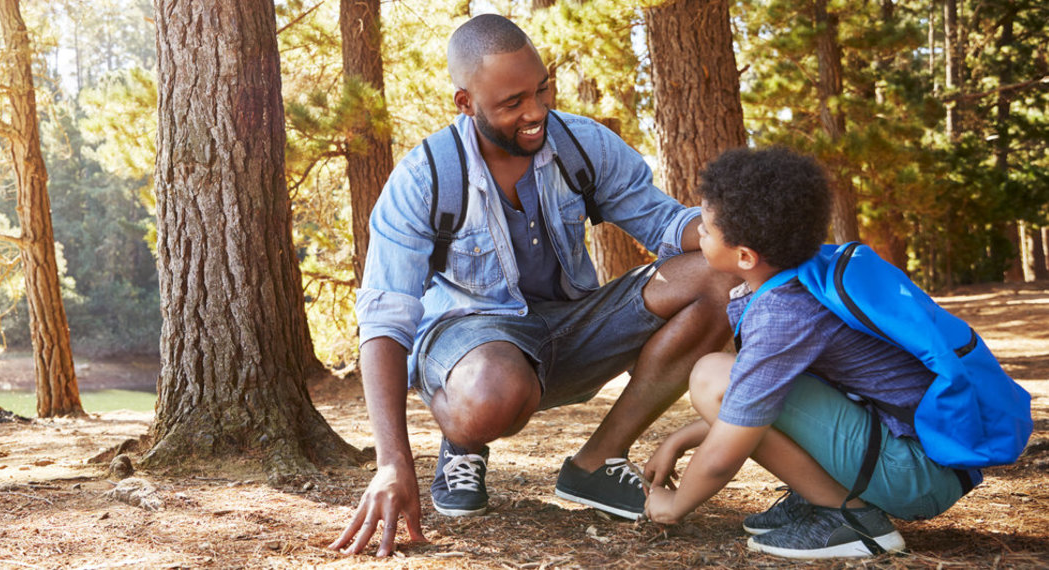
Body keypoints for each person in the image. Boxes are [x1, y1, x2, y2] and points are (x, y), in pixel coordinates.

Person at [329, 14, 737, 557]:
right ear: (465, 103)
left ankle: (596, 462)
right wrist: (391, 464)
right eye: (513, 102)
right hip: (471, 342)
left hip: (570, 326)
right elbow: (384, 320)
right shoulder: (424, 176)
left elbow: (665, 225)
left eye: (542, 88)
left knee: (720, 272)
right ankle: (463, 441)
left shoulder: (583, 145)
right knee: (491, 394)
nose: (536, 111)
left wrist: (730, 227)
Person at [641, 147, 977, 559]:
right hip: (915, 457)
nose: (700, 235)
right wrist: (682, 438)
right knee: (722, 378)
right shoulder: (801, 275)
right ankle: (824, 492)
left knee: (713, 377)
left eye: (706, 230)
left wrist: (673, 506)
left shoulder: (783, 312)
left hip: (916, 473)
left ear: (745, 256)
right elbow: (768, 398)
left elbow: (728, 445)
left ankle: (850, 518)